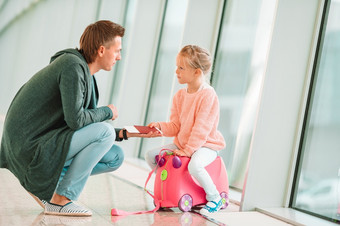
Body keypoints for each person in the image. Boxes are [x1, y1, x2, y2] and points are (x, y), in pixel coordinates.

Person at [0, 20, 156, 217]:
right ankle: (61, 199)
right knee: (105, 132)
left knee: (115, 156)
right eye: (117, 51)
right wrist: (107, 111)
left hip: (42, 141)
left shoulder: (84, 73)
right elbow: (76, 121)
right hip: (28, 147)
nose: (120, 57)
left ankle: (46, 184)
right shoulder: (72, 66)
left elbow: (86, 125)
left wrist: (125, 133)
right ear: (101, 50)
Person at [145, 45, 226, 215]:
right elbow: (175, 126)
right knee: (151, 156)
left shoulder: (208, 95)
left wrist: (188, 151)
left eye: (181, 68)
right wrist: (160, 126)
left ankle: (214, 198)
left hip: (206, 145)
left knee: (195, 165)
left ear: (197, 72)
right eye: (177, 67)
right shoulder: (180, 96)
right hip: (184, 145)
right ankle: (169, 191)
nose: (176, 71)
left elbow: (201, 129)